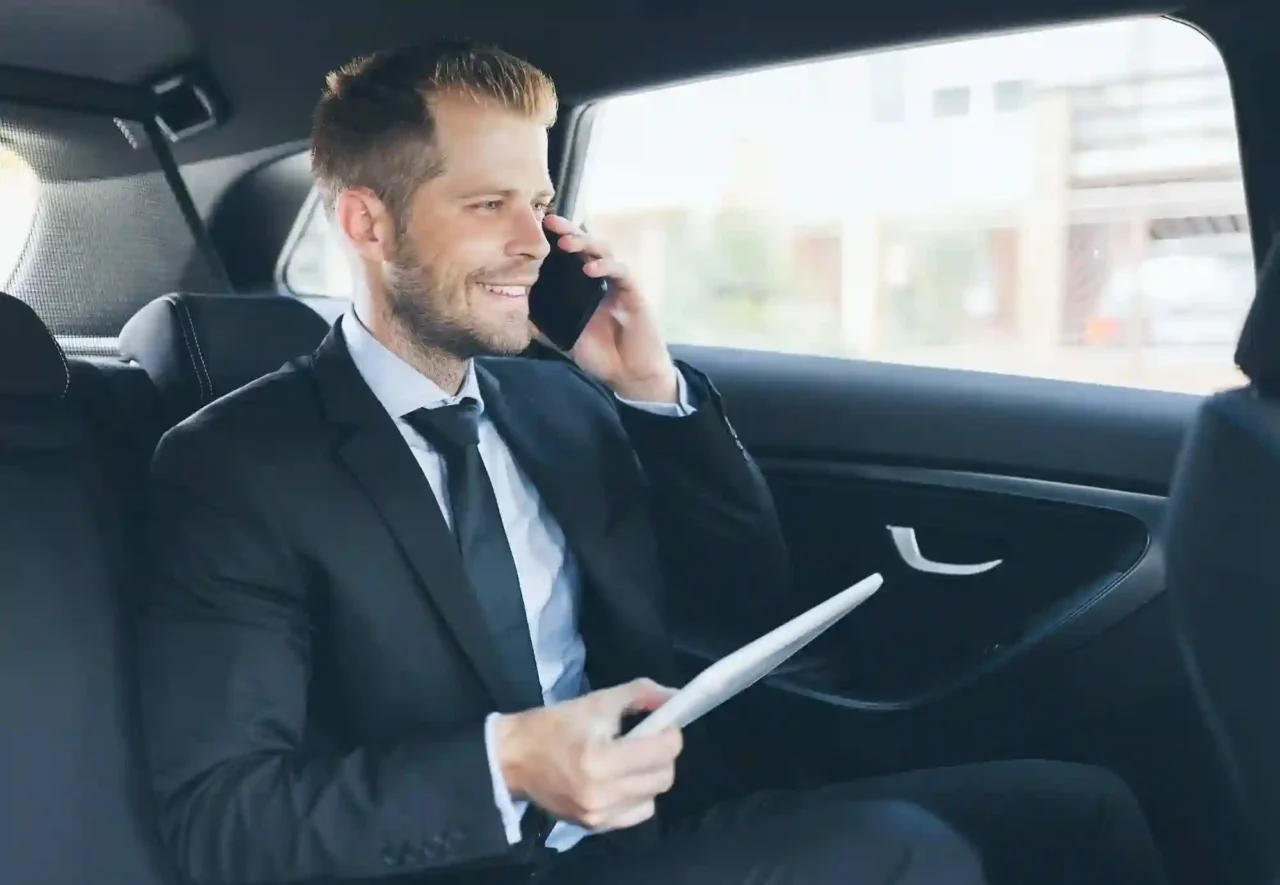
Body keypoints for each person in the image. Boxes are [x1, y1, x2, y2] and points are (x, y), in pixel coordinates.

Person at [134, 39, 1169, 885]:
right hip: (464, 862)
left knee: (1080, 808)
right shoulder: (236, 471)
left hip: (657, 826)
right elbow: (226, 823)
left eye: (537, 204)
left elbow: (738, 595)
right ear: (367, 221)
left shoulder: (553, 407)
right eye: (486, 205)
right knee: (900, 852)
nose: (534, 243)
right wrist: (506, 766)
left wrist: (647, 391)